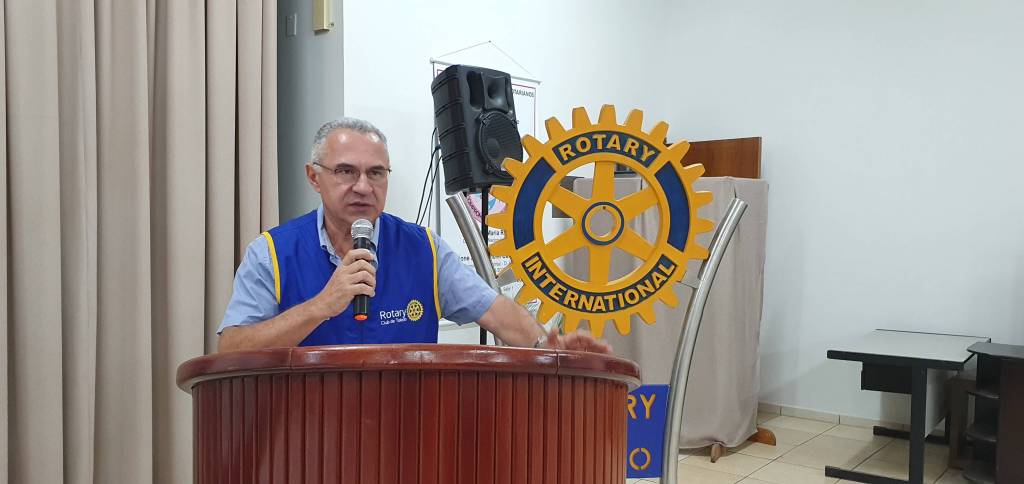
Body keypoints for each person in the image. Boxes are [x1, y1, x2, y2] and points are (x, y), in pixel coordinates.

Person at [217, 117, 610, 354]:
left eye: (376, 173)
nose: (362, 186)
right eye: (346, 171)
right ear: (314, 177)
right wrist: (322, 305)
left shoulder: (425, 249)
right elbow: (232, 348)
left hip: (407, 437)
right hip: (307, 441)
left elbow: (496, 311)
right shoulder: (271, 252)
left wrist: (547, 347)